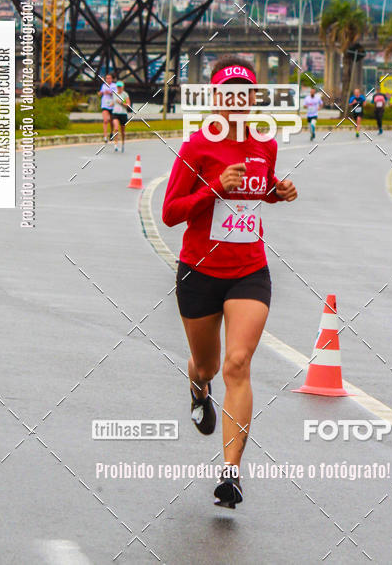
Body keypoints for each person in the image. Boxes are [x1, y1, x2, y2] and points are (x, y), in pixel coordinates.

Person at [162, 55, 297, 509]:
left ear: (254, 99)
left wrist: (278, 193)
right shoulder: (197, 146)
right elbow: (170, 213)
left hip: (249, 271)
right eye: (229, 94)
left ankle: (231, 475)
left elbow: (260, 190)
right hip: (199, 271)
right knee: (210, 366)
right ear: (217, 99)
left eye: (246, 94)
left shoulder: (266, 145)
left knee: (239, 363)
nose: (238, 102)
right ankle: (198, 388)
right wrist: (213, 186)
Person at [111, 80, 131, 152]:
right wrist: (111, 104)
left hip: (123, 114)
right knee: (116, 128)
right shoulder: (114, 94)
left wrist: (121, 103)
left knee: (122, 131)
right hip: (115, 113)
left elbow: (128, 105)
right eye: (118, 86)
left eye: (120, 87)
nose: (119, 88)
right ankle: (115, 144)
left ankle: (123, 144)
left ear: (123, 87)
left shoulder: (125, 94)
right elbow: (113, 101)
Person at [99, 72, 116, 142]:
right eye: (107, 78)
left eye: (109, 78)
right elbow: (100, 93)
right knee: (105, 120)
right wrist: (101, 93)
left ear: (112, 79)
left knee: (111, 121)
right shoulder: (103, 85)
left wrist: (110, 93)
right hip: (105, 105)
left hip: (112, 105)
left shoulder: (114, 86)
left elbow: (116, 95)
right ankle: (105, 136)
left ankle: (111, 132)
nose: (108, 80)